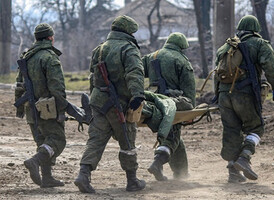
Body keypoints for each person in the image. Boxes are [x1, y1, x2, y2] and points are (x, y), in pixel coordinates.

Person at [74, 15, 146, 193]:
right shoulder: (128, 49)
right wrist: (138, 95)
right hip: (119, 104)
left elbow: (93, 77)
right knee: (127, 141)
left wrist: (93, 100)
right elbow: (135, 72)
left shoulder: (99, 49)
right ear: (128, 31)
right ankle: (132, 181)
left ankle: (83, 175)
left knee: (96, 140)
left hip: (99, 102)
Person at [214, 15, 274, 183]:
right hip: (244, 94)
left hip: (224, 95)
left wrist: (217, 96)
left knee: (231, 131)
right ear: (256, 29)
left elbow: (217, 73)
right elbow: (271, 67)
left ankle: (233, 171)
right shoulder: (259, 44)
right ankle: (244, 157)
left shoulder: (226, 46)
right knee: (256, 127)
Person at [15, 23, 68, 188]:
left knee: (43, 141)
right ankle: (35, 161)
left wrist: (19, 108)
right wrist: (61, 109)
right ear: (50, 37)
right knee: (57, 140)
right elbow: (57, 86)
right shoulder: (49, 57)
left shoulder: (27, 56)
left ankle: (47, 177)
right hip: (48, 109)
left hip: (30, 108)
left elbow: (19, 84)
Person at [142, 32, 196, 181]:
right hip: (172, 104)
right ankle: (157, 162)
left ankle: (181, 173)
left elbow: (136, 71)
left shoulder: (152, 57)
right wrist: (191, 112)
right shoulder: (182, 61)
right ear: (181, 47)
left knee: (174, 136)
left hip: (152, 102)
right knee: (172, 136)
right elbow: (190, 90)